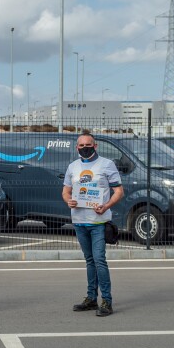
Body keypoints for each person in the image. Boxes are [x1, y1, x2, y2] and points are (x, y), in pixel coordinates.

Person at [63, 133, 124, 317]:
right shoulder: (73, 167)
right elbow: (66, 191)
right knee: (90, 261)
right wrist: (69, 201)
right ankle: (91, 298)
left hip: (98, 222)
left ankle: (107, 300)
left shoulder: (107, 164)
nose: (84, 147)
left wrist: (106, 205)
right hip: (79, 221)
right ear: (76, 148)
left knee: (99, 260)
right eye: (81, 145)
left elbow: (119, 191)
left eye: (88, 144)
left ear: (95, 146)